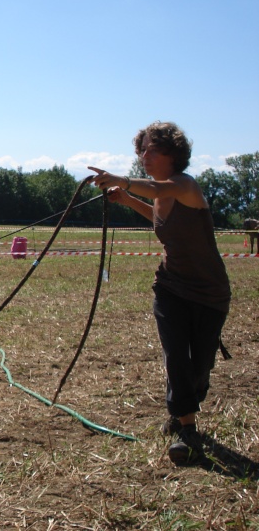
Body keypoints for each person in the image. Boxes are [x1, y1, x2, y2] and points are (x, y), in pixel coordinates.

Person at [89, 121, 230, 466]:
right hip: (170, 287)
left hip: (210, 293)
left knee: (200, 367)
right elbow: (155, 211)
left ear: (172, 152)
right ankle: (186, 429)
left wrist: (123, 181)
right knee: (176, 356)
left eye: (152, 148)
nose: (144, 155)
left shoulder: (185, 186)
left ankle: (182, 407)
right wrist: (125, 198)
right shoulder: (161, 196)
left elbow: (156, 190)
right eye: (142, 149)